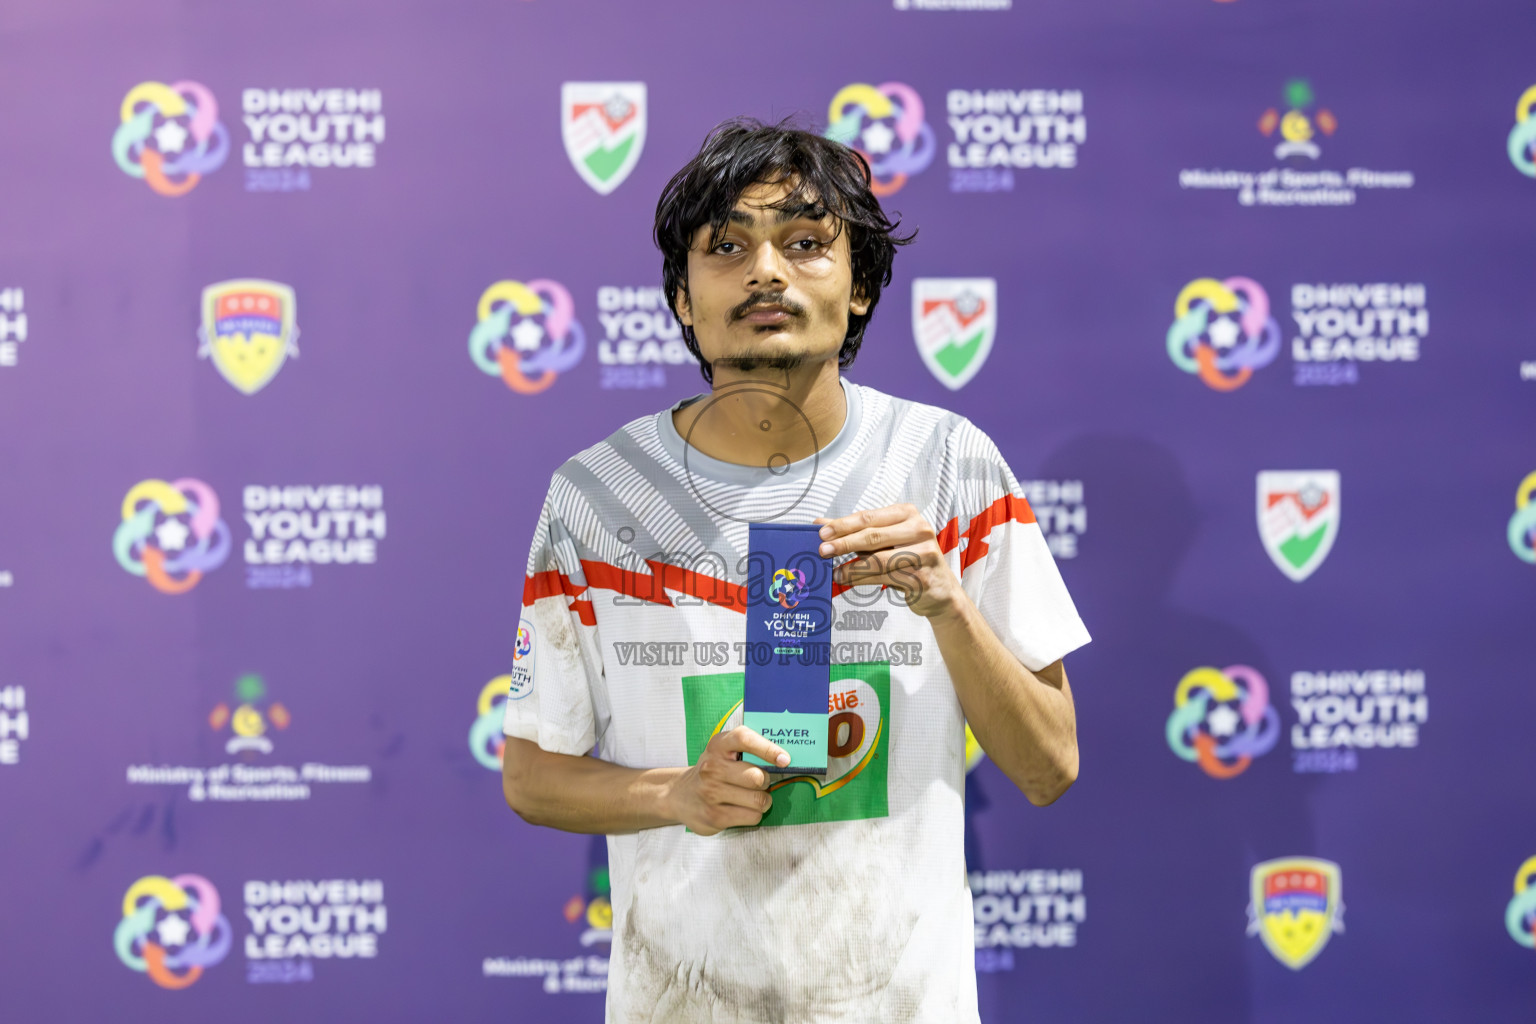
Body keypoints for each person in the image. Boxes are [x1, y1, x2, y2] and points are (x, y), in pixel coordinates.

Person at [501, 117, 1090, 1023]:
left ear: (858, 287)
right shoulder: (597, 496)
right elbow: (531, 776)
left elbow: (1050, 766)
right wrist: (677, 794)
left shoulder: (950, 465)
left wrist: (946, 606)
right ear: (683, 300)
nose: (767, 270)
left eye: (807, 242)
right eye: (727, 245)